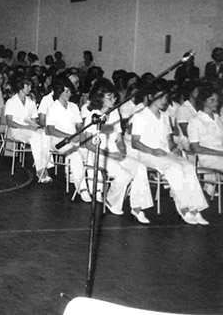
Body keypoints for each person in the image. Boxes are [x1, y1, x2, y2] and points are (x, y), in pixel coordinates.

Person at [130, 80, 208, 225]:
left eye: (166, 98)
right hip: (148, 154)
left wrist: (174, 148)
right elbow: (135, 142)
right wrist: (152, 150)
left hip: (165, 154)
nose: (163, 101)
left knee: (189, 166)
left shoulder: (166, 117)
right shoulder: (139, 116)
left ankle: (195, 209)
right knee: (175, 168)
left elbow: (169, 141)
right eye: (160, 97)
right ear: (150, 96)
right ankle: (184, 208)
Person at [81, 79, 153, 222]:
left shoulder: (114, 114)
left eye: (114, 97)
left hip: (114, 153)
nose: (113, 100)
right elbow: (88, 144)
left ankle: (138, 208)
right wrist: (110, 154)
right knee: (124, 175)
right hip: (99, 155)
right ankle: (112, 200)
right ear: (100, 98)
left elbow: (119, 139)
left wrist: (122, 150)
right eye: (109, 97)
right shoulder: (93, 115)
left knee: (140, 168)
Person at [4, 75, 51, 183]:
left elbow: (34, 120)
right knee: (35, 137)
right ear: (21, 86)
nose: (30, 88)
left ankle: (44, 167)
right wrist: (26, 127)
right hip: (16, 131)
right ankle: (40, 171)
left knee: (44, 134)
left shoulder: (31, 102)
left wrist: (35, 124)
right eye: (28, 85)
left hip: (29, 130)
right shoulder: (11, 102)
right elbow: (9, 122)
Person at [45, 78, 85, 193]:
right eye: (66, 91)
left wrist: (79, 131)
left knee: (89, 151)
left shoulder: (74, 107)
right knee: (75, 153)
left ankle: (90, 184)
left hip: (73, 138)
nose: (69, 94)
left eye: (70, 91)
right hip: (58, 141)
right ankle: (82, 189)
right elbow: (51, 130)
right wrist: (69, 136)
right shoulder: (53, 108)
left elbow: (79, 124)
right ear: (59, 92)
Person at [187, 85, 223, 197]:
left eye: (217, 100)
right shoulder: (196, 121)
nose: (215, 103)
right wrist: (219, 153)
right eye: (212, 100)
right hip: (208, 158)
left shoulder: (218, 119)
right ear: (203, 101)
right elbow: (195, 147)